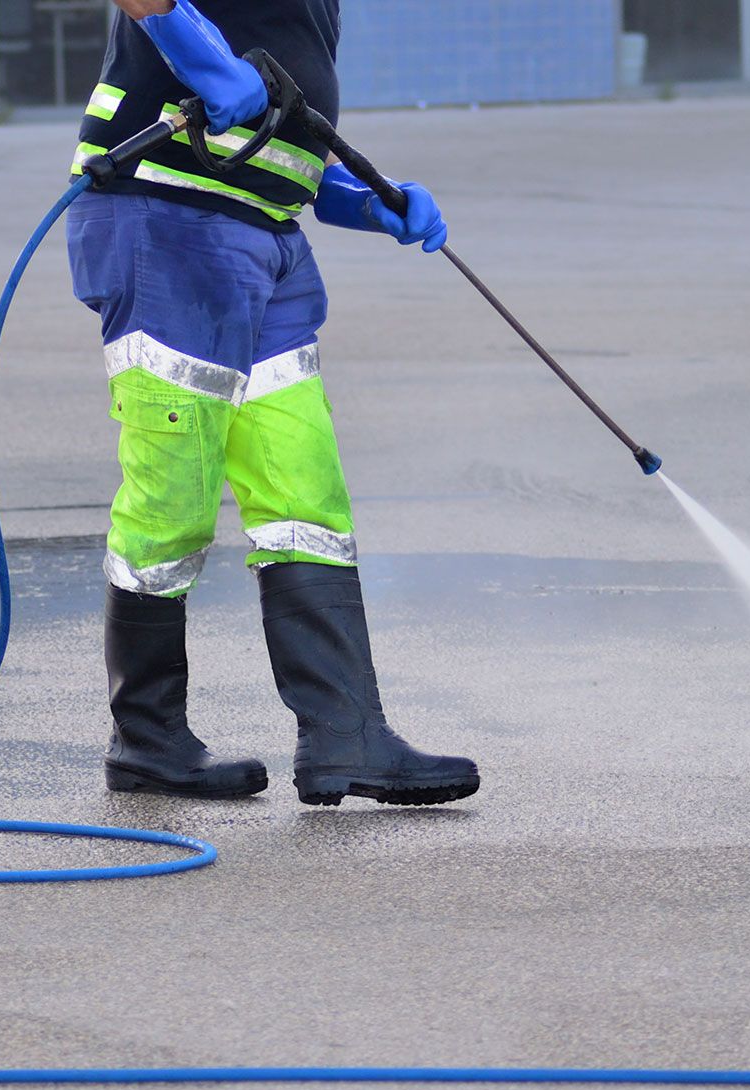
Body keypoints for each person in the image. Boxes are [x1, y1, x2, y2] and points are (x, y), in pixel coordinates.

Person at [67, 0, 478, 807]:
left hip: (269, 241)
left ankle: (345, 735)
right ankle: (147, 738)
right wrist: (205, 58)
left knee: (304, 493)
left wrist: (363, 196)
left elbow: (286, 114)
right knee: (174, 496)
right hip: (168, 221)